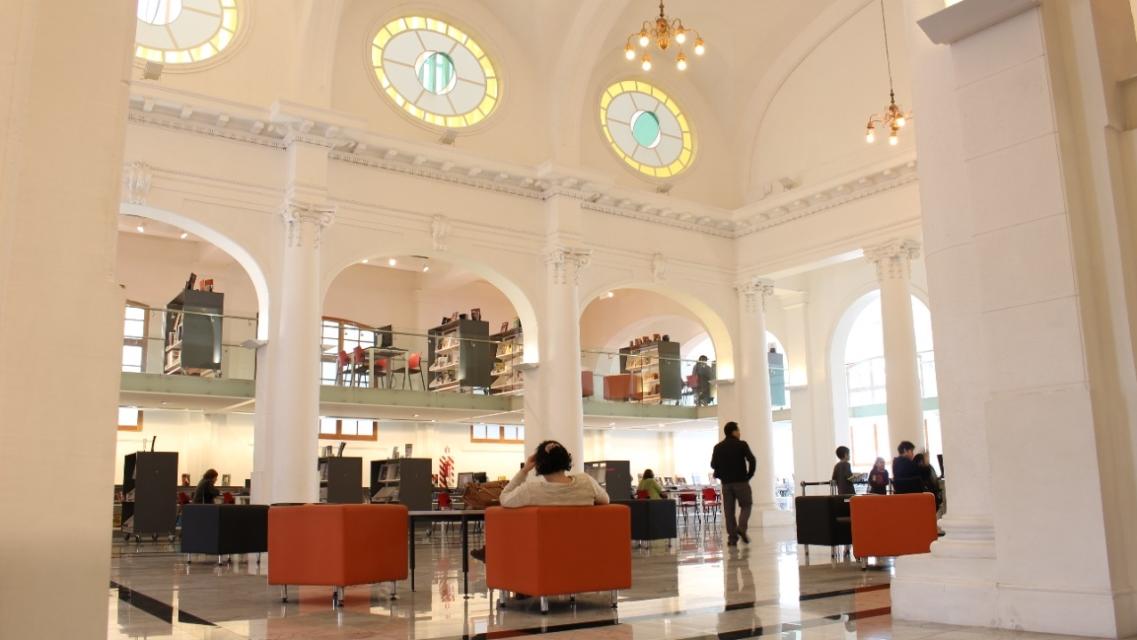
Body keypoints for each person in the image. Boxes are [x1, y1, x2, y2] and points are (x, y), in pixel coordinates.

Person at [471, 441, 609, 563]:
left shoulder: (531, 490)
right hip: (583, 550)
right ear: (566, 460)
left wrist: (525, 470)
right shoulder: (586, 482)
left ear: (539, 465)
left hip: (542, 553)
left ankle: (491, 551)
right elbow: (605, 500)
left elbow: (504, 498)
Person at [710, 422, 756, 546]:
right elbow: (752, 460)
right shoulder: (742, 445)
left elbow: (713, 464)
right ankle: (741, 528)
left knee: (729, 511)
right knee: (746, 505)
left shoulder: (718, 447)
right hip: (741, 482)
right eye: (738, 430)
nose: (739, 433)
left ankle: (732, 539)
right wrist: (749, 475)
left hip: (726, 484)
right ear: (734, 432)